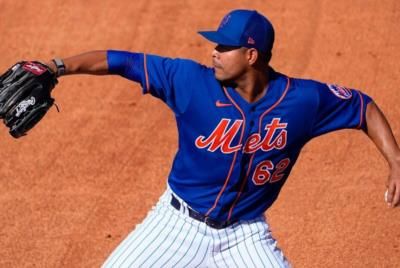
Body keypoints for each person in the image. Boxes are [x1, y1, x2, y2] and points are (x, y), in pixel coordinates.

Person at [39, 9, 399, 267]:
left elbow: (362, 106)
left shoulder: (303, 101)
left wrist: (396, 161)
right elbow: (122, 61)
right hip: (175, 225)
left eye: (224, 47)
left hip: (245, 234)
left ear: (252, 55)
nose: (214, 52)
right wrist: (56, 67)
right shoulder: (188, 80)